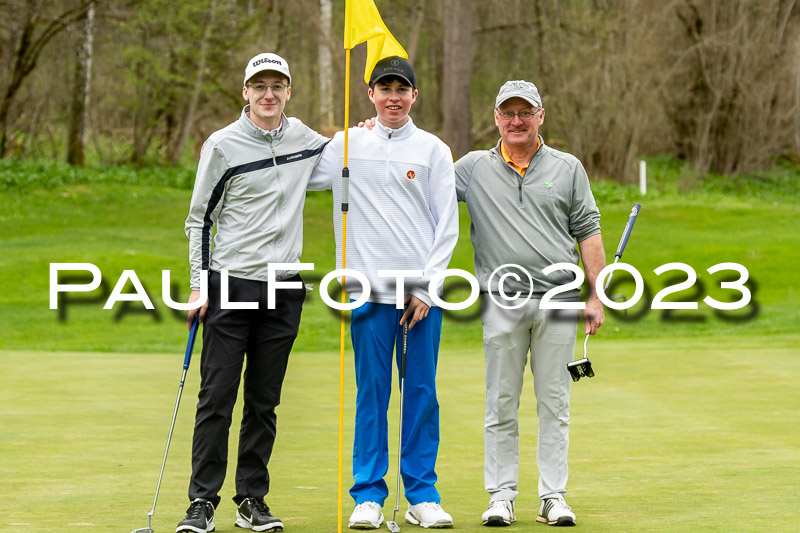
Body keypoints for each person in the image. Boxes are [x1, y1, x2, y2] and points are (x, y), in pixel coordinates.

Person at [179, 52, 330, 533]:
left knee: (264, 402)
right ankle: (202, 502)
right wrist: (199, 285)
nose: (269, 94)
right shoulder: (222, 145)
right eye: (259, 85)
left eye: (277, 86)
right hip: (231, 283)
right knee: (217, 397)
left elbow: (348, 154)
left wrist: (368, 128)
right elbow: (200, 220)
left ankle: (251, 499)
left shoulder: (305, 138)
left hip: (284, 288)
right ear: (245, 92)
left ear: (289, 91)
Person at [309, 56, 459, 530]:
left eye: (402, 89)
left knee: (420, 393)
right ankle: (369, 495)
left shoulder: (433, 150)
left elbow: (447, 225)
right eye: (385, 88)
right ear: (370, 93)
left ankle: (422, 494)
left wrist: (428, 289)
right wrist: (339, 135)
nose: (394, 97)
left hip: (419, 299)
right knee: (371, 394)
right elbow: (302, 176)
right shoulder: (346, 145)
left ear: (415, 95)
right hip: (366, 294)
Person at [454, 80, 606, 527]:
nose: (516, 121)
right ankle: (501, 496)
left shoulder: (567, 167)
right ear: (496, 117)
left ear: (541, 116)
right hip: (501, 300)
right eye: (508, 113)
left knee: (554, 403)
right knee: (501, 402)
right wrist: (372, 133)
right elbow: (418, 181)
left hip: (559, 300)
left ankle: (552, 496)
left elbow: (588, 229)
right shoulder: (472, 168)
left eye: (525, 112)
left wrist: (596, 295)